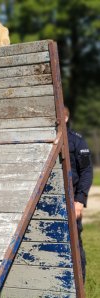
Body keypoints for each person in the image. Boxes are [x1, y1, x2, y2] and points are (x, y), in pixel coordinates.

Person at [65, 107, 93, 282]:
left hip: (72, 199)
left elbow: (86, 172)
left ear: (65, 117)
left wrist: (79, 201)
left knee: (75, 241)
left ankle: (79, 284)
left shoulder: (76, 142)